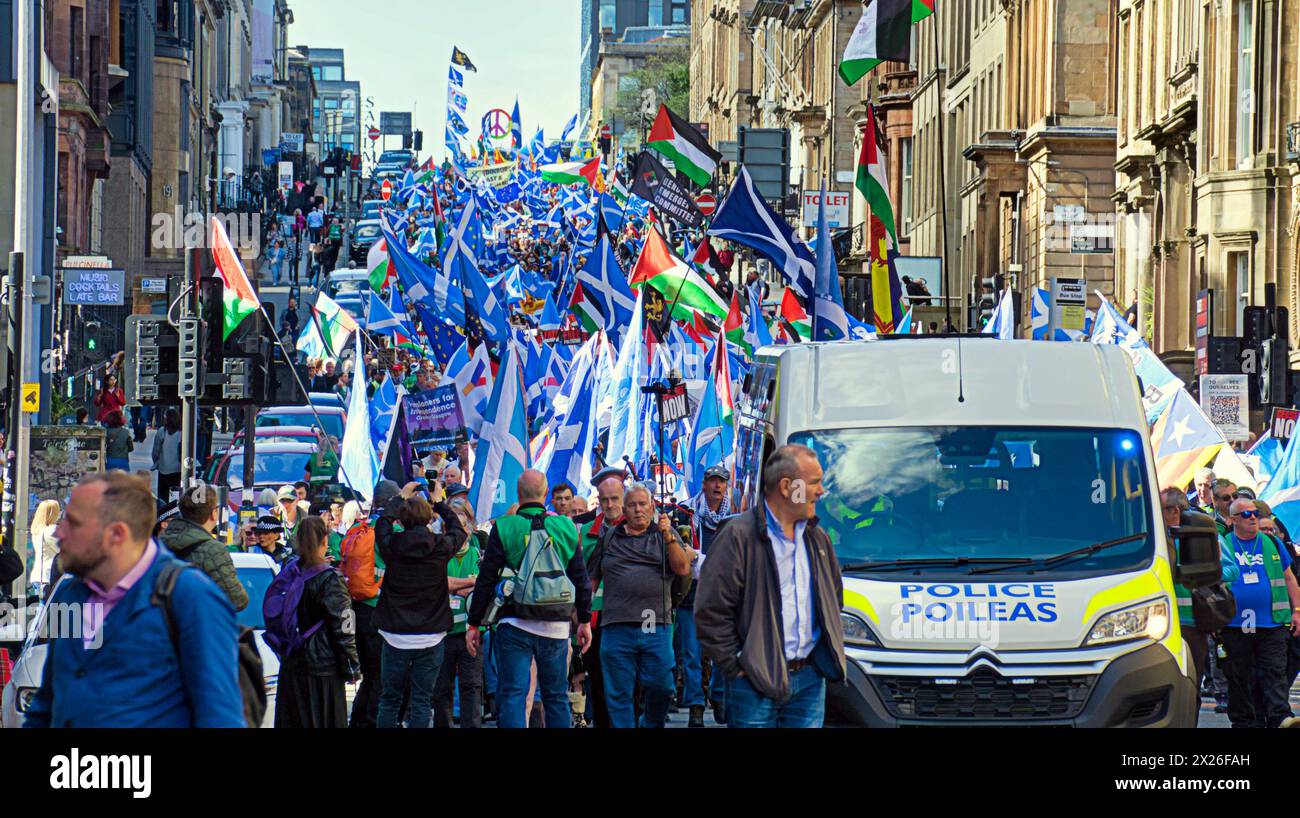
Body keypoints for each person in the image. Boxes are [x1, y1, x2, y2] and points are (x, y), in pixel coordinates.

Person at [24, 473, 245, 727]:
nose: (60, 533)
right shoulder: (70, 594)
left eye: (74, 523)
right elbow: (48, 703)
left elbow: (219, 717)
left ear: (116, 534)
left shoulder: (190, 598)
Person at [696, 445, 846, 728]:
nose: (821, 491)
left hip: (811, 679)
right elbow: (710, 612)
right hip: (754, 681)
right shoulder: (738, 536)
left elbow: (832, 598)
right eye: (814, 482)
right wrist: (738, 664)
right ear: (787, 487)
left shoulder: (817, 538)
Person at [466, 470, 593, 729]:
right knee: (555, 695)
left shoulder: (504, 526)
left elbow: (486, 579)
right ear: (546, 495)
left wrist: (474, 623)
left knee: (513, 693)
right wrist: (585, 620)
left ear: (518, 494)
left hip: (515, 622)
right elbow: (581, 579)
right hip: (556, 624)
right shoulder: (566, 526)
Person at [589, 483, 694, 728]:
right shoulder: (610, 537)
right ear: (624, 509)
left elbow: (682, 568)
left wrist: (668, 536)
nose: (638, 510)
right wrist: (582, 615)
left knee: (662, 686)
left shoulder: (664, 533)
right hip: (616, 625)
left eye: (643, 504)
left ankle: (650, 723)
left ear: (652, 506)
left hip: (654, 623)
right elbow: (591, 580)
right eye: (632, 505)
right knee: (618, 693)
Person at [374, 493, 464, 729]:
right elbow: (459, 531)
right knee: (422, 701)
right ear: (428, 518)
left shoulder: (392, 545)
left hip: (394, 634)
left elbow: (381, 525)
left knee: (390, 699)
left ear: (402, 520)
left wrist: (397, 500)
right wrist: (440, 505)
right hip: (431, 635)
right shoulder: (440, 546)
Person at [1219, 498, 1300, 728]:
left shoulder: (1272, 542)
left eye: (1254, 513)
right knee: (1239, 676)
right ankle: (1245, 722)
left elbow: (1289, 579)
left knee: (1275, 671)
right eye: (1245, 515)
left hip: (1272, 623)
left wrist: (1297, 611)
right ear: (1233, 520)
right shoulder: (1223, 544)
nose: (1252, 517)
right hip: (1234, 624)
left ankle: (1281, 717)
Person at [275, 516, 360, 728]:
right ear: (325, 541)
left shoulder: (289, 572)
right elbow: (344, 626)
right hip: (323, 667)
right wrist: (351, 665)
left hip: (292, 661)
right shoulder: (330, 578)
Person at [1160, 488, 1237, 701]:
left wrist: (1205, 570)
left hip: (1193, 623)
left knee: (1190, 686)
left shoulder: (1206, 535)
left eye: (1164, 508)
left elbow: (1233, 571)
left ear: (1175, 510)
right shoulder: (1154, 538)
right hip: (1159, 624)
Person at [340, 480, 401, 728]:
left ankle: (358, 722)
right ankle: (370, 722)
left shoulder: (359, 528)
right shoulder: (389, 533)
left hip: (358, 608)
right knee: (381, 677)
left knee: (369, 675)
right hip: (379, 609)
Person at [682, 465, 733, 727]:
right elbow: (681, 551)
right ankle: (695, 706)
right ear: (703, 484)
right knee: (691, 653)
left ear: (726, 486)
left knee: (723, 651)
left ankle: (719, 695)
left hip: (723, 596)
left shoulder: (735, 517)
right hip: (691, 594)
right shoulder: (686, 512)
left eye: (721, 482)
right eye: (712, 481)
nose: (716, 486)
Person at [578, 467, 627, 728]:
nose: (609, 505)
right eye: (604, 499)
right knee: (597, 680)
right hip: (595, 619)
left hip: (627, 616)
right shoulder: (585, 531)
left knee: (626, 681)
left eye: (615, 499)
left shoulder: (635, 529)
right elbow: (579, 575)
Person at [434, 500, 484, 728]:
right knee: (441, 687)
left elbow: (484, 586)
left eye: (464, 528)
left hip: (470, 633)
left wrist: (456, 586)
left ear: (470, 529)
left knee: (471, 686)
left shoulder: (480, 556)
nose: (460, 533)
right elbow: (439, 584)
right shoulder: (439, 556)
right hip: (443, 633)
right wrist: (469, 584)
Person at [161, 483, 249, 611]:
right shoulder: (213, 550)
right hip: (196, 625)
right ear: (214, 513)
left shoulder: (158, 544)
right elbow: (237, 600)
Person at [28, 499, 61, 595]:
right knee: (47, 609)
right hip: (48, 577)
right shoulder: (51, 530)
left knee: (42, 608)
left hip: (38, 576)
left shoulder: (37, 530)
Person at [152, 409, 183, 503]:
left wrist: (156, 462)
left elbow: (155, 451)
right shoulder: (182, 432)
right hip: (178, 469)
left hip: (164, 468)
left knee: (163, 496)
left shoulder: (162, 431)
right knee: (176, 495)